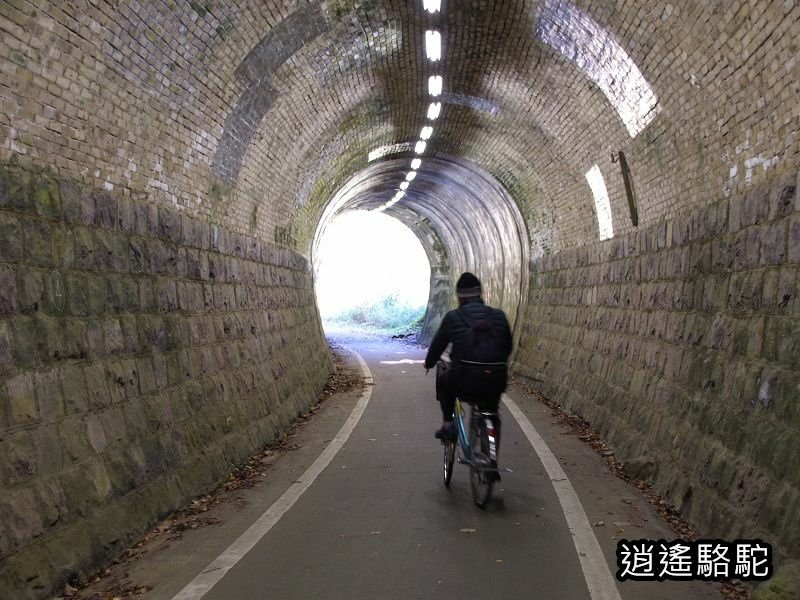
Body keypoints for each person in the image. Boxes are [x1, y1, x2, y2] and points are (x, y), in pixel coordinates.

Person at [423, 272, 513, 446]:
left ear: (459, 296)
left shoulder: (453, 318)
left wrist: (429, 362)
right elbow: (507, 347)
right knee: (491, 410)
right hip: (496, 379)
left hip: (464, 379)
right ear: (480, 293)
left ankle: (448, 425)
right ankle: (491, 461)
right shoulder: (499, 316)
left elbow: (438, 346)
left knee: (444, 380)